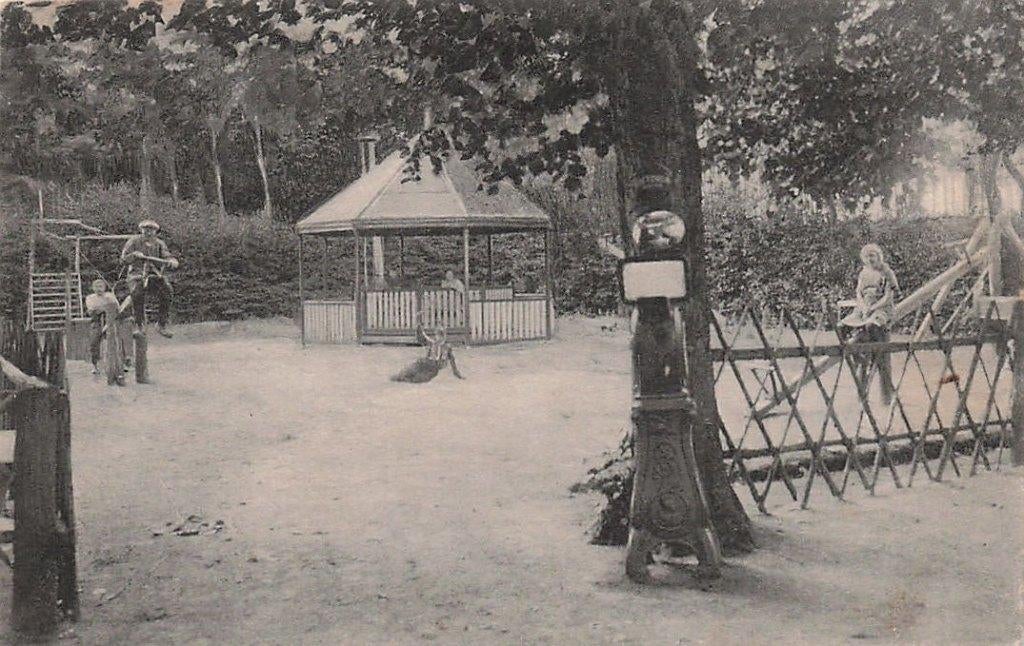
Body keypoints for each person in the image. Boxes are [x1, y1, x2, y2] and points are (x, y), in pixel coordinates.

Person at [840, 243, 898, 403]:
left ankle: (866, 347)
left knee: (871, 325)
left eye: (873, 255)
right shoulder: (864, 273)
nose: (870, 259)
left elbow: (888, 297)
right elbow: (858, 292)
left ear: (879, 256)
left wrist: (873, 307)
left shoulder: (886, 272)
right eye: (867, 256)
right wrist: (864, 306)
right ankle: (857, 355)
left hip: (881, 308)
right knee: (843, 326)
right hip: (864, 307)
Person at [120, 219, 179, 338]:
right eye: (146, 229)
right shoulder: (133, 241)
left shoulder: (159, 243)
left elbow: (167, 256)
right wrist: (134, 255)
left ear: (155, 231)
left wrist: (172, 261)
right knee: (137, 294)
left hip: (154, 275)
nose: (148, 232)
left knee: (167, 291)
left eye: (151, 230)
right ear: (141, 230)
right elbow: (123, 259)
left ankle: (161, 324)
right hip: (137, 275)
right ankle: (139, 324)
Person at [85, 278, 125, 385]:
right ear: (93, 288)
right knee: (94, 340)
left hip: (110, 319)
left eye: (101, 286)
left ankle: (121, 364)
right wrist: (105, 307)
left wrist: (106, 307)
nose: (99, 289)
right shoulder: (90, 298)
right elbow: (91, 310)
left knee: (118, 339)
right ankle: (95, 365)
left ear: (104, 287)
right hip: (97, 320)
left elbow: (117, 307)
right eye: (96, 287)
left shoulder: (110, 295)